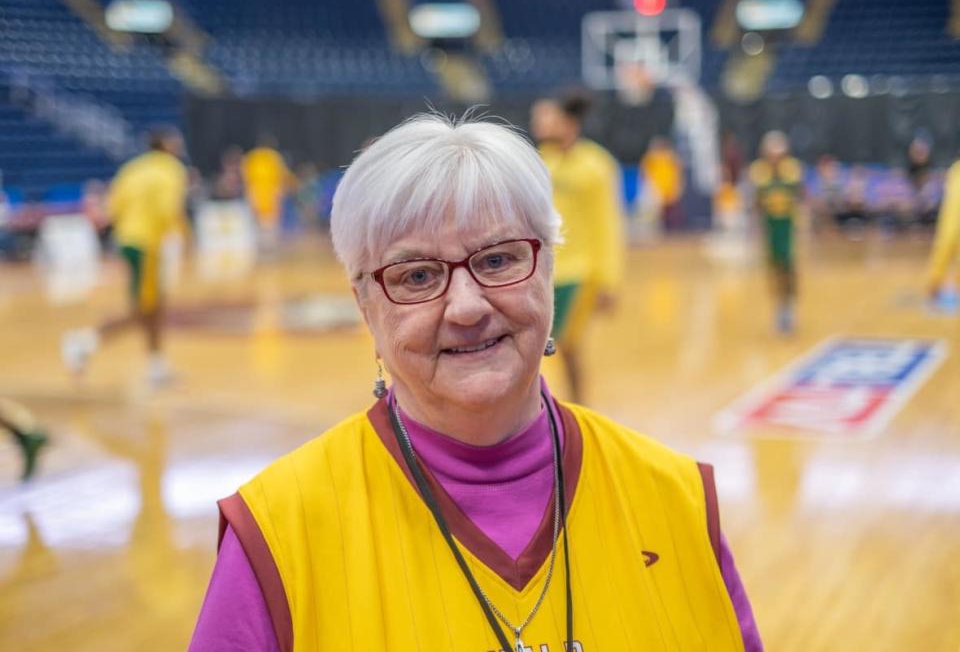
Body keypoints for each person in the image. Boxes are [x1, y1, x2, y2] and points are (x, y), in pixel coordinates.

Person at [187, 114, 762, 651]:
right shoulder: (276, 533)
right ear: (365, 307)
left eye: (497, 261)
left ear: (548, 270)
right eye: (416, 275)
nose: (466, 306)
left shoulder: (677, 500)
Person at [61, 127, 188, 386]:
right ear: (165, 144)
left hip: (128, 240)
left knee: (155, 306)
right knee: (143, 308)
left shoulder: (132, 168)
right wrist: (182, 237)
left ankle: (156, 367)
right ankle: (83, 343)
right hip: (147, 243)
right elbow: (168, 209)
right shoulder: (170, 169)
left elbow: (112, 207)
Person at [530, 93, 625, 403]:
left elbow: (608, 223)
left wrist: (608, 279)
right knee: (539, 345)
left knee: (566, 344)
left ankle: (578, 407)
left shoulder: (597, 165)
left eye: (547, 116)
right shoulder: (540, 161)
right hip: (541, 270)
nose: (539, 122)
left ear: (568, 122)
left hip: (579, 271)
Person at [749, 131, 804, 334]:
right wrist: (754, 227)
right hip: (770, 226)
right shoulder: (759, 172)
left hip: (787, 224)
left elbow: (800, 195)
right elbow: (756, 202)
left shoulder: (791, 169)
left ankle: (789, 307)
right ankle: (779, 308)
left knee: (789, 267)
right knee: (774, 268)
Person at [243, 135, 296, 250]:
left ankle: (263, 246)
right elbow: (283, 176)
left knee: (262, 221)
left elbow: (246, 178)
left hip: (259, 193)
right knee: (269, 222)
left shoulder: (252, 157)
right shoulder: (273, 156)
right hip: (268, 193)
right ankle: (268, 246)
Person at [926, 158, 960, 302]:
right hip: (951, 221)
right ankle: (934, 285)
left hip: (951, 221)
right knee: (944, 246)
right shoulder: (956, 170)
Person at [641, 135, 686, 231]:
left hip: (669, 187)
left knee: (672, 212)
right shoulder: (651, 157)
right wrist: (649, 185)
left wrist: (677, 184)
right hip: (657, 187)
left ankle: (673, 230)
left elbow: (678, 170)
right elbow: (645, 171)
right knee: (657, 212)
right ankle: (659, 229)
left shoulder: (671, 156)